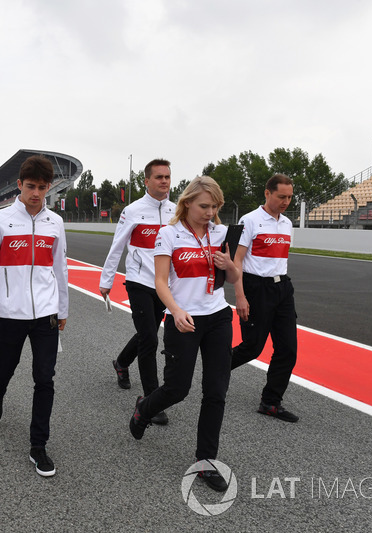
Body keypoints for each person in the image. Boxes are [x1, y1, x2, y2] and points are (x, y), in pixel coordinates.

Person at [128, 175, 240, 492]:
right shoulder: (169, 234)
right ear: (187, 202)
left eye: (215, 206)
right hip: (183, 317)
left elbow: (233, 276)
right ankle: (144, 409)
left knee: (216, 391)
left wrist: (227, 264)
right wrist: (175, 310)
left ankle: (206, 462)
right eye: (204, 205)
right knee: (177, 389)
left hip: (218, 316)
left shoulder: (222, 233)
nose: (210, 212)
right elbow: (161, 281)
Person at [0, 155, 69, 478]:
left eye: (42, 188)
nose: (36, 193)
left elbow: (60, 268)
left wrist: (63, 309)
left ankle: (38, 445)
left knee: (45, 378)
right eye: (31, 186)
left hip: (46, 314)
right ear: (19, 185)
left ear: (49, 187)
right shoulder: (0, 220)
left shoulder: (55, 223)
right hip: (11, 314)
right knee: (4, 369)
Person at [99, 158, 175, 425]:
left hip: (164, 285)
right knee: (150, 340)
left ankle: (121, 363)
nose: (164, 181)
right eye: (158, 177)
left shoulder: (177, 211)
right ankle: (150, 399)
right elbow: (117, 246)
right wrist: (106, 280)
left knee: (148, 333)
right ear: (146, 181)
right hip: (139, 282)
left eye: (167, 177)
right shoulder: (132, 210)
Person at [230, 174, 299, 422]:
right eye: (282, 196)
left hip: (282, 288)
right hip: (255, 287)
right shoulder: (249, 220)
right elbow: (236, 260)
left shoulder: (288, 223)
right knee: (252, 347)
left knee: (288, 349)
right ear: (267, 193)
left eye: (290, 197)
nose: (286, 201)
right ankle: (218, 369)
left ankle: (271, 402)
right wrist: (240, 296)